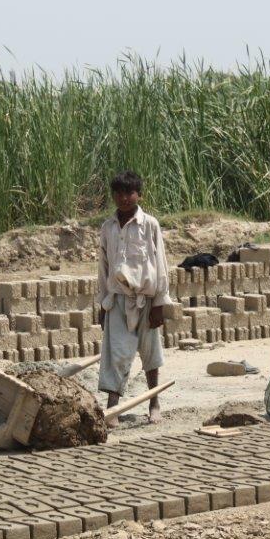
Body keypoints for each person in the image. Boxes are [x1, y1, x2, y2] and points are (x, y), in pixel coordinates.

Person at [96, 170, 170, 424]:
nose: (124, 198)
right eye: (119, 193)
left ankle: (154, 403)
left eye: (129, 193)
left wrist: (159, 303)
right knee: (116, 353)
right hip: (117, 300)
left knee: (150, 354)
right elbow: (103, 268)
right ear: (113, 196)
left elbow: (160, 265)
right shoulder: (108, 228)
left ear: (139, 194)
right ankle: (112, 408)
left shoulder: (149, 225)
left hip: (145, 299)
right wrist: (102, 304)